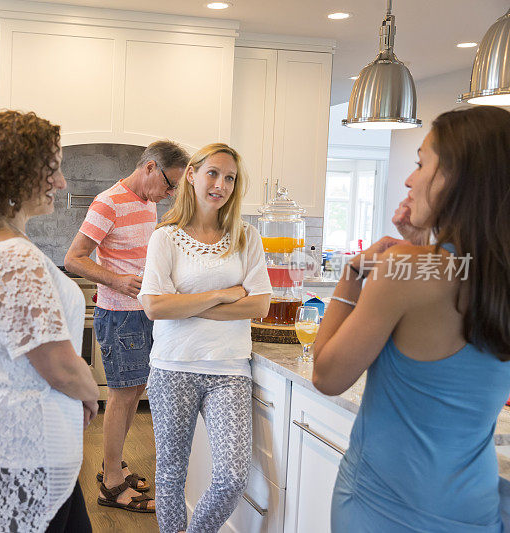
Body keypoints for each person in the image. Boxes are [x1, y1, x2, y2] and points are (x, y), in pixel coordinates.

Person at [313, 106, 510, 532]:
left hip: (387, 506)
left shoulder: (405, 269)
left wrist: (353, 272)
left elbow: (327, 375)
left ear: (454, 178)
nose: (408, 179)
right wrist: (426, 247)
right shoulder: (493, 276)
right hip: (474, 511)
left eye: (421, 163)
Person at [0, 110, 99, 532]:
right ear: (16, 175)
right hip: (23, 444)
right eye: (53, 169)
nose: (62, 181)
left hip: (7, 438)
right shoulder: (13, 255)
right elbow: (59, 364)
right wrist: (89, 394)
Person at [138, 143, 272, 532]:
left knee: (232, 476)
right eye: (213, 173)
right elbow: (155, 307)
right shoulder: (165, 238)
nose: (221, 184)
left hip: (229, 369)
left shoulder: (247, 237)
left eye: (230, 177)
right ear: (192, 175)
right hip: (173, 366)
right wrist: (220, 294)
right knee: (170, 476)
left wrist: (185, 303)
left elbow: (260, 305)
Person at [64, 139, 188, 512]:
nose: (170, 193)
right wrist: (117, 280)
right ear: (149, 167)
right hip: (119, 314)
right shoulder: (108, 203)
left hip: (143, 313)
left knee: (134, 392)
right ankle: (112, 487)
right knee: (121, 395)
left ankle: (112, 466)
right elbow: (74, 259)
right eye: (169, 184)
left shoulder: (146, 203)